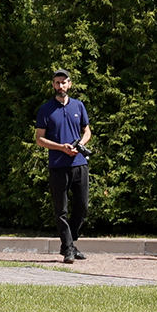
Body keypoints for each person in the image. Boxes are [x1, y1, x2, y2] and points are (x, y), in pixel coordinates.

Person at [34, 67, 94, 263]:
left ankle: (69, 243)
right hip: (58, 165)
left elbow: (87, 131)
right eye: (57, 82)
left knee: (82, 206)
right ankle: (68, 249)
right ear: (53, 85)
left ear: (70, 84)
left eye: (64, 82)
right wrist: (61, 147)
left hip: (79, 163)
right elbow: (40, 139)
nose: (61, 86)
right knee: (61, 209)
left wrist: (81, 145)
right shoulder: (45, 109)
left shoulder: (78, 106)